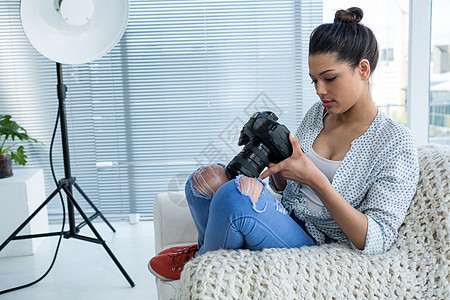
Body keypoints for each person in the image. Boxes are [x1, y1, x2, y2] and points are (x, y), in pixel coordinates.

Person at [148, 7, 420, 281]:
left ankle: (201, 263)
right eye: (314, 80)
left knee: (234, 196)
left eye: (330, 78)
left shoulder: (395, 142)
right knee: (204, 182)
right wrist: (278, 172)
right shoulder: (319, 113)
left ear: (363, 69)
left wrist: (317, 181)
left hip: (322, 244)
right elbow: (288, 190)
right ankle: (208, 250)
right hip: (287, 219)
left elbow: (377, 238)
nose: (320, 90)